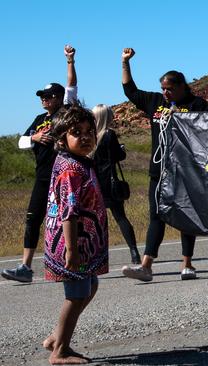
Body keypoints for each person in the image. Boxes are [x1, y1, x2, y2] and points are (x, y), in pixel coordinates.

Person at [119, 48, 208, 282]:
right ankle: (146, 266)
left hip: (185, 171)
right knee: (156, 216)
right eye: (163, 88)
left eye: (169, 88)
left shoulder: (197, 105)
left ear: (182, 86)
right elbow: (130, 90)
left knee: (185, 215)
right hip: (159, 171)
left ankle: (188, 265)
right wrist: (124, 62)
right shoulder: (155, 102)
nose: (165, 92)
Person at [2, 45, 78, 283]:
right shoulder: (38, 120)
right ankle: (25, 267)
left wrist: (69, 61)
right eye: (42, 97)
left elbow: (72, 87)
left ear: (59, 98)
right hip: (42, 176)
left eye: (48, 96)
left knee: (65, 218)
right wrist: (34, 137)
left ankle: (71, 261)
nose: (44, 100)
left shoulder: (65, 112)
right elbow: (21, 142)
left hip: (62, 176)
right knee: (33, 218)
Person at [41, 105, 108, 365]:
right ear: (61, 138)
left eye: (89, 131)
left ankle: (56, 338)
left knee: (89, 286)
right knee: (76, 293)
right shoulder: (71, 169)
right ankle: (60, 351)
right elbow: (68, 211)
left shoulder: (79, 162)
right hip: (72, 241)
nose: (85, 137)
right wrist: (72, 249)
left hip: (82, 241)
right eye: (76, 132)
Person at [91, 104, 141, 264]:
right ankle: (134, 252)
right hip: (110, 182)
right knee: (121, 218)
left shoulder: (90, 136)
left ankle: (96, 256)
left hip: (93, 183)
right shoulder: (109, 134)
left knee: (96, 222)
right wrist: (122, 149)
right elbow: (119, 156)